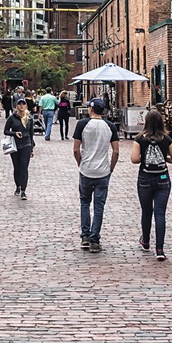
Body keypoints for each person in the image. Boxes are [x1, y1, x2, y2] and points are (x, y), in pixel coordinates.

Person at [131, 109, 172, 261]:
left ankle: (146, 241)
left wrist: (145, 158)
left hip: (145, 178)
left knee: (146, 211)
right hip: (162, 178)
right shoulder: (166, 139)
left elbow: (134, 159)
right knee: (160, 213)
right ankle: (159, 249)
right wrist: (164, 159)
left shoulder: (139, 139)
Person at [73, 98, 119, 253]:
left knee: (85, 203)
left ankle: (85, 236)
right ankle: (95, 240)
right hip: (103, 171)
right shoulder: (110, 126)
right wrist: (111, 167)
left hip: (86, 170)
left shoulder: (82, 124)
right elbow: (116, 151)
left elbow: (76, 149)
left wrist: (80, 163)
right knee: (99, 206)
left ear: (91, 109)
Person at [3, 97, 35, 200]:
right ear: (16, 106)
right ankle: (18, 186)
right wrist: (14, 133)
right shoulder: (12, 118)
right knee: (17, 167)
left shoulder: (29, 118)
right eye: (19, 104)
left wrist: (32, 148)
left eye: (23, 104)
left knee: (24, 166)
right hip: (15, 145)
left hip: (26, 144)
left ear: (26, 106)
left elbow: (31, 134)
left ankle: (23, 191)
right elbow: (5, 131)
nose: (21, 106)